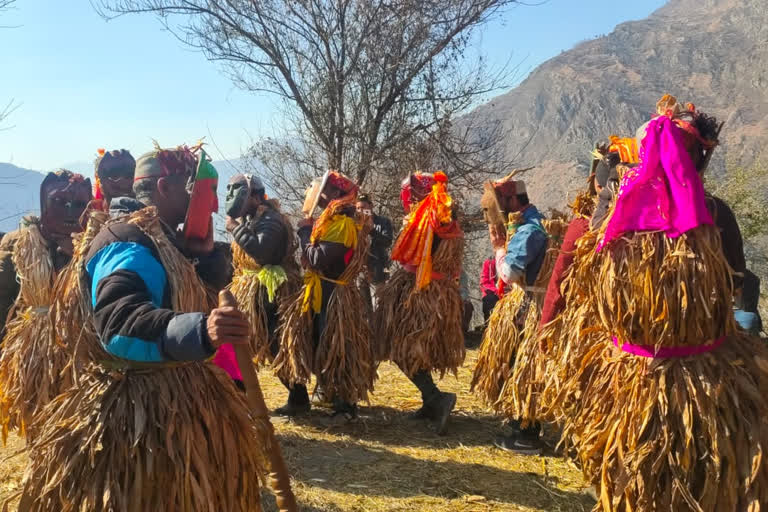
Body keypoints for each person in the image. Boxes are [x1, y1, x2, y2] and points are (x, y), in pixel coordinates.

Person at [18, 145, 268, 510]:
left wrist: (207, 261)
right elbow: (120, 323)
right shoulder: (128, 244)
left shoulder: (160, 237)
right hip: (143, 423)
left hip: (178, 401)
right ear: (165, 189)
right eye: (201, 191)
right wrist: (202, 330)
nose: (213, 206)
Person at [554, 96, 768, 510]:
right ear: (700, 161)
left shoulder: (617, 215)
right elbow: (737, 281)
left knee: (628, 478)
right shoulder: (715, 214)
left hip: (630, 377)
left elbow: (588, 271)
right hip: (709, 379)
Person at [274, 171, 375, 420]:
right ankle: (314, 395)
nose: (321, 196)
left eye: (327, 191)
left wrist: (304, 232)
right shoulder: (331, 220)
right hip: (320, 291)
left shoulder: (342, 224)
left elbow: (317, 259)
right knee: (311, 340)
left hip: (333, 294)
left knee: (336, 346)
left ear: (338, 194)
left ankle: (346, 404)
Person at [0, 170, 91, 438]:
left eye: (78, 205)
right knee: (40, 427)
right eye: (60, 202)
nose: (69, 211)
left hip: (81, 356)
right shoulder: (19, 246)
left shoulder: (97, 246)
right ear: (43, 203)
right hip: (33, 356)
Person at [375, 172, 464, 435]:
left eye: (411, 194)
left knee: (403, 348)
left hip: (422, 294)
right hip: (435, 293)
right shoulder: (445, 216)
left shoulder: (431, 218)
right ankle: (430, 401)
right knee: (413, 349)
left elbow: (415, 255)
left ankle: (437, 398)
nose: (408, 200)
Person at [477, 177, 549, 454]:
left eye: (499, 204)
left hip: (530, 308)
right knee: (523, 364)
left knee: (524, 365)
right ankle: (523, 427)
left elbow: (508, 274)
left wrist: (498, 249)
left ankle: (527, 435)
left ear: (512, 200)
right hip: (534, 304)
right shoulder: (535, 223)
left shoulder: (530, 231)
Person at [223, 172, 301, 401]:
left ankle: (297, 396)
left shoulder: (271, 220)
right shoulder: (256, 218)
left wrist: (236, 229)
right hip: (256, 290)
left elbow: (262, 252)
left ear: (255, 198)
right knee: (256, 342)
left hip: (271, 291)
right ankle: (243, 395)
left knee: (271, 342)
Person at [480, 256, 499, 323]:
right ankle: (489, 326)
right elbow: (484, 283)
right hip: (492, 293)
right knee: (490, 299)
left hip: (508, 293)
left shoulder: (513, 263)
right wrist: (497, 291)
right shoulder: (489, 263)